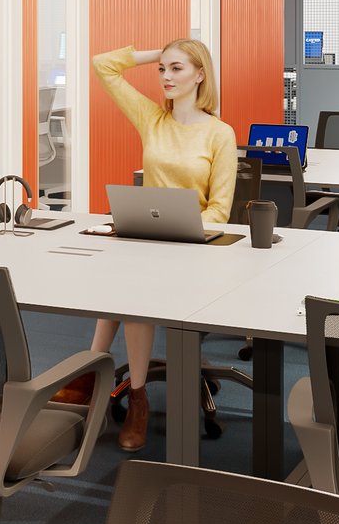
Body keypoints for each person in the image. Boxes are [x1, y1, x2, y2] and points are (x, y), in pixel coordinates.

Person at [78, 40, 236, 452]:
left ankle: (125, 393)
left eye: (177, 69)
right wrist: (157, 52)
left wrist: (178, 228)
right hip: (146, 240)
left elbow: (220, 211)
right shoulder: (153, 119)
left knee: (131, 287)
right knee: (127, 274)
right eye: (161, 70)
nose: (165, 77)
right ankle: (102, 379)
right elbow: (102, 64)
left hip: (192, 248)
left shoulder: (221, 134)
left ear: (200, 74)